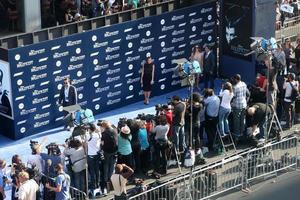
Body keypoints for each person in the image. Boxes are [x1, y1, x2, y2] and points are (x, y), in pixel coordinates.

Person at [98, 120, 118, 193]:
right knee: (112, 165)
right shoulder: (114, 131)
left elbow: (102, 144)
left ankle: (106, 180)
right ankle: (110, 178)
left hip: (107, 152)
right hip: (114, 151)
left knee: (106, 165)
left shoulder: (104, 134)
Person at [231, 74, 249, 142]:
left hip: (237, 106)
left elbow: (233, 96)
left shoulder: (235, 87)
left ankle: (237, 136)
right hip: (243, 104)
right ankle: (242, 134)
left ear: (236, 79)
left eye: (234, 79)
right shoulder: (244, 84)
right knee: (242, 120)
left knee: (236, 121)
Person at [86, 123, 101, 197]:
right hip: (97, 155)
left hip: (91, 156)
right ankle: (97, 185)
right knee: (97, 170)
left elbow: (84, 142)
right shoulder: (98, 134)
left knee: (92, 172)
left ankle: (93, 186)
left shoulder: (88, 136)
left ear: (89, 129)